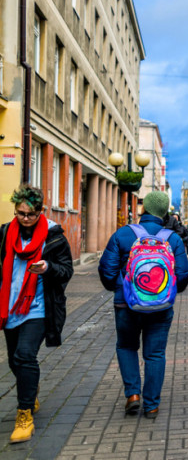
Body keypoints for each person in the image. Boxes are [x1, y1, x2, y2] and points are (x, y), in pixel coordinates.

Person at [98, 191, 188, 419]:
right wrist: (164, 293)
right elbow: (183, 275)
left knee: (127, 347)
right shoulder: (173, 238)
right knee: (155, 354)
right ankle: (151, 405)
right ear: (165, 212)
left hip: (126, 305)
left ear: (143, 209)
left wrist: (120, 290)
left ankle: (132, 395)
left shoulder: (123, 234)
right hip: (160, 307)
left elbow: (106, 271)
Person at [1, 185, 73, 443]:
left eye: (31, 214)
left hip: (39, 308)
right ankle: (31, 390)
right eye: (21, 213)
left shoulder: (53, 236)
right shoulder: (5, 233)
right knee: (14, 362)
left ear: (40, 212)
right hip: (10, 307)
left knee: (24, 355)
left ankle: (24, 415)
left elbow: (66, 270)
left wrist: (48, 267)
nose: (26, 219)